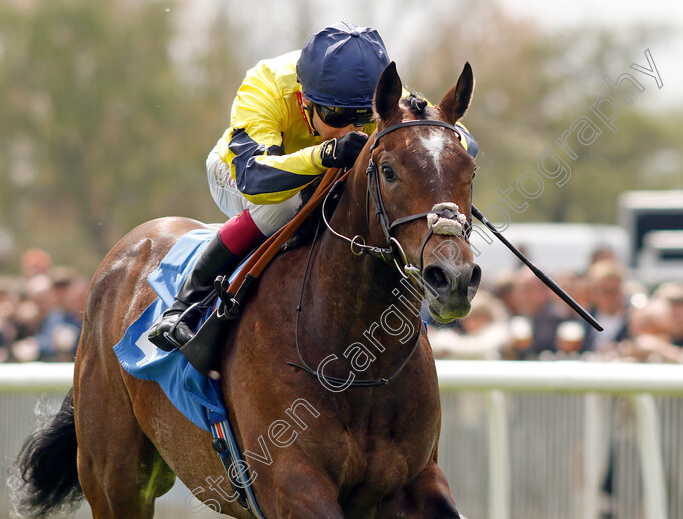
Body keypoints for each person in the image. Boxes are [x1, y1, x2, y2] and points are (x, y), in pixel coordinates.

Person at [148, 22, 478, 351]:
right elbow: (255, 180)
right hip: (242, 172)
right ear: (305, 99)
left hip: (324, 171)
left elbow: (453, 137)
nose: (350, 128)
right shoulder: (264, 86)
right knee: (284, 205)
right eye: (336, 116)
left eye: (363, 116)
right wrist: (326, 153)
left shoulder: (387, 95)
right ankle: (186, 304)